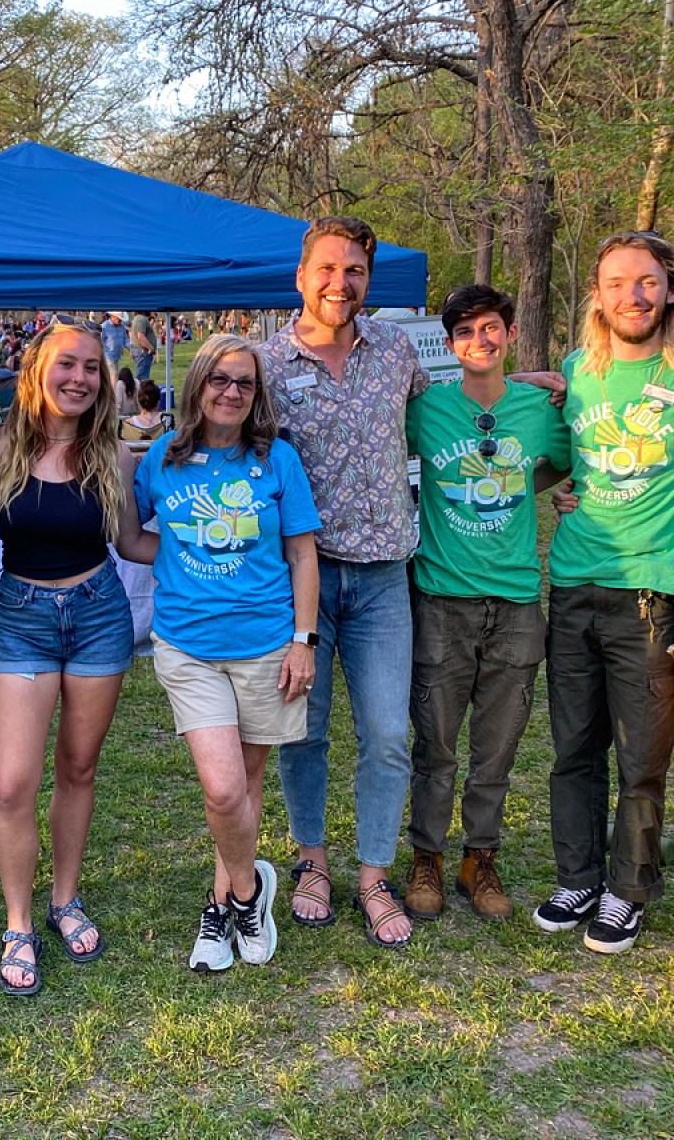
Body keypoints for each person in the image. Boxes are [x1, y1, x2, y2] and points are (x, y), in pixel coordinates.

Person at [258, 216, 429, 947]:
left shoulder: (396, 350)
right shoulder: (264, 364)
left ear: (369, 279)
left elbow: (449, 414)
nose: (341, 283)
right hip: (304, 576)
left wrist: (528, 391)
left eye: (354, 270)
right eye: (327, 269)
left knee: (389, 733)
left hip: (386, 576)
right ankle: (312, 862)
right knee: (305, 729)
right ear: (300, 277)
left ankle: (373, 874)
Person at [135, 334, 319, 971]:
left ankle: (219, 911)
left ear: (257, 393)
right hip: (188, 646)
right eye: (219, 379)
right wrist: (174, 559)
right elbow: (130, 532)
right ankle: (250, 891)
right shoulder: (162, 459)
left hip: (269, 643)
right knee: (222, 788)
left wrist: (303, 640)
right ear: (197, 387)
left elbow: (302, 553)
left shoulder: (278, 462)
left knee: (247, 783)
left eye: (245, 382)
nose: (232, 391)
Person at [0, 315, 154, 996]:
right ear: (37, 370)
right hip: (22, 618)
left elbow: (134, 543)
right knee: (12, 783)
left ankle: (63, 899)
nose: (80, 378)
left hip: (97, 615)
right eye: (68, 364)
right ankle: (18, 922)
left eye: (92, 367)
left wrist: (221, 553)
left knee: (78, 767)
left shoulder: (112, 455)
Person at [403, 285, 568, 923]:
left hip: (519, 601)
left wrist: (529, 487)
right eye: (467, 332)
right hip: (443, 599)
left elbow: (560, 463)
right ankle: (427, 856)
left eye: (492, 328)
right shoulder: (428, 409)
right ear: (450, 346)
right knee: (437, 745)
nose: (481, 340)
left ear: (511, 333)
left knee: (497, 749)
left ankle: (481, 856)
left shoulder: (538, 407)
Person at [534, 230, 674, 955]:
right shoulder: (576, 373)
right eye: (618, 282)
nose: (633, 296)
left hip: (651, 591)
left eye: (646, 281)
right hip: (576, 582)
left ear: (668, 289)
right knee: (573, 745)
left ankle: (628, 889)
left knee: (641, 754)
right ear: (598, 295)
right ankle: (580, 876)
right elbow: (556, 462)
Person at [129, 311, 158, 382]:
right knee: (143, 379)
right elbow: (141, 336)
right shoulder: (142, 319)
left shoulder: (136, 319)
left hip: (138, 350)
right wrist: (150, 348)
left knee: (142, 375)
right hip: (143, 352)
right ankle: (140, 392)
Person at [101, 311, 129, 380]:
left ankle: (110, 389)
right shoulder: (104, 326)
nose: (120, 321)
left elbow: (125, 340)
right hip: (107, 355)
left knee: (113, 376)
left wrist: (130, 348)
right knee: (114, 374)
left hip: (117, 355)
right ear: (112, 316)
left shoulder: (122, 326)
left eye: (121, 319)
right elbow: (99, 341)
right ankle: (114, 391)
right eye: (118, 319)